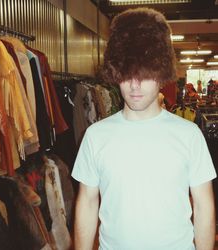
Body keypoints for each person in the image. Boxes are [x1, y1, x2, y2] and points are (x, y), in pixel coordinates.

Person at [72, 8, 216, 250]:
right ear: (116, 75)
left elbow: (204, 206)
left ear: (160, 75)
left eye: (145, 75)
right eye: (127, 75)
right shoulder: (95, 136)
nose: (135, 86)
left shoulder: (189, 135)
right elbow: (87, 203)